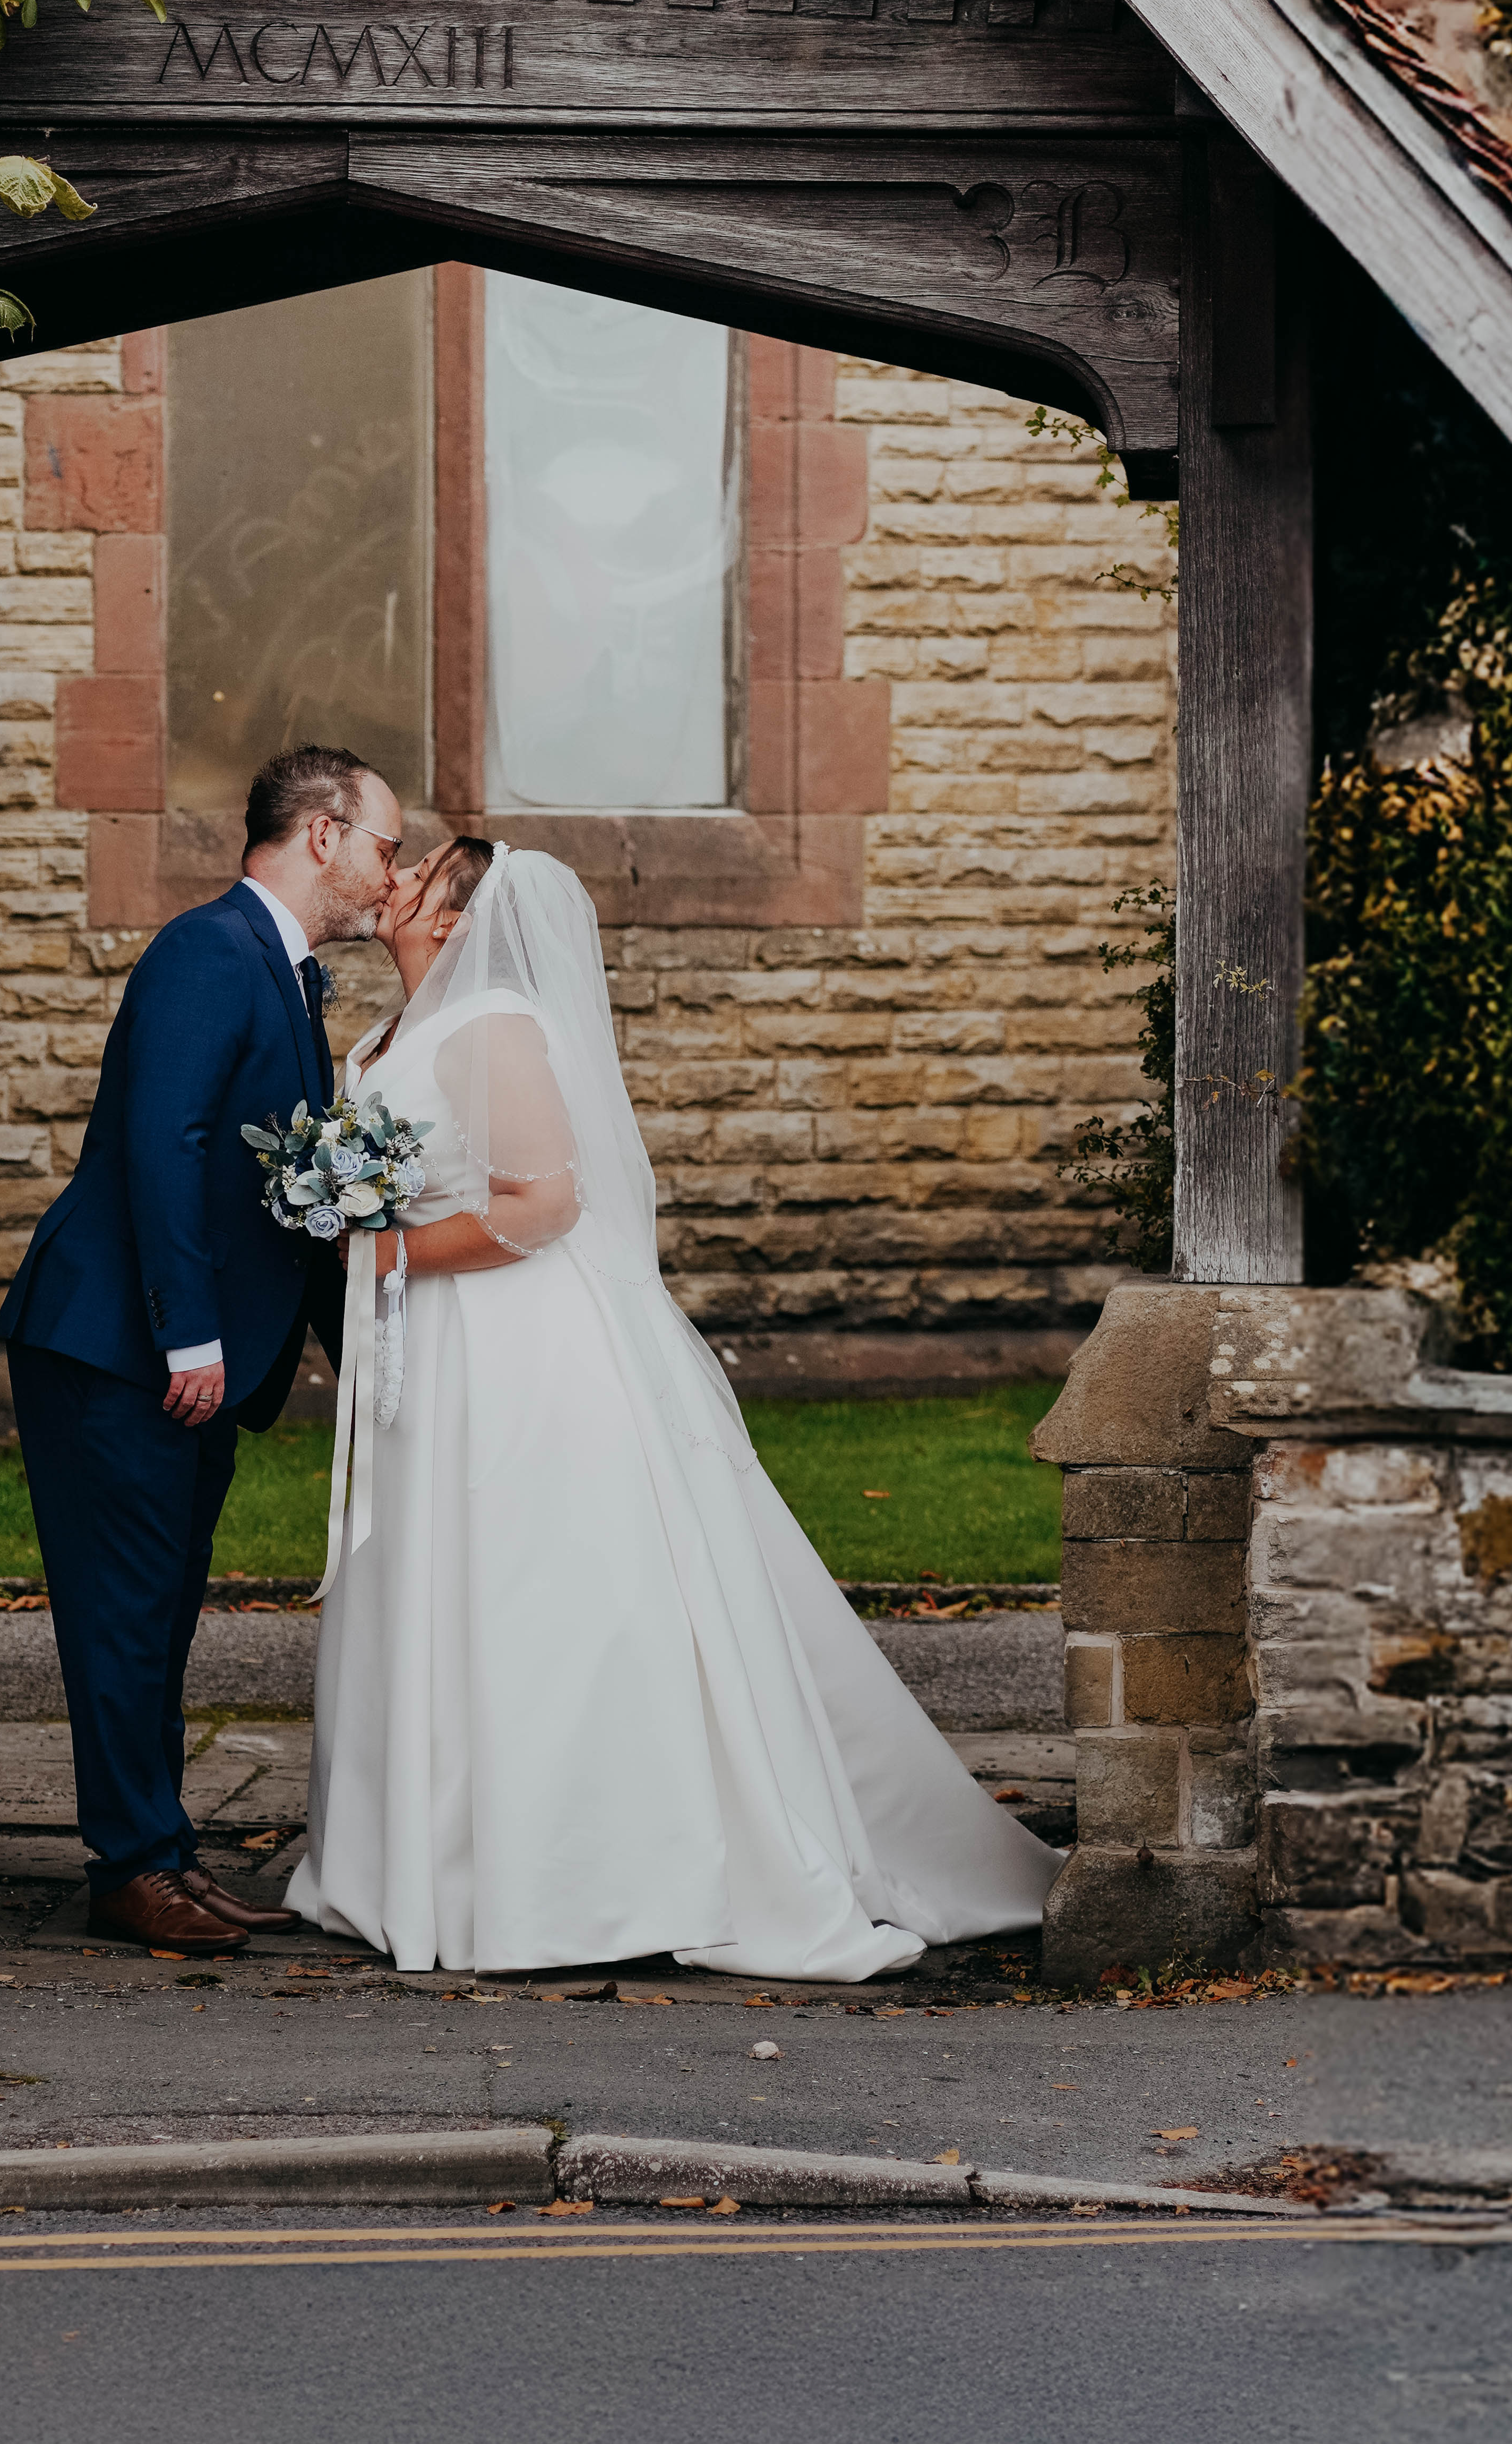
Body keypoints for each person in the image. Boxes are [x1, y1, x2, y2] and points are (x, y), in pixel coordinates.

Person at [288, 833, 1058, 1978]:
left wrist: (383, 1247)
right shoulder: (396, 1032)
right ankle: (419, 1860)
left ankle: (569, 1877)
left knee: (532, 1583)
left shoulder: (493, 1024)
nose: (392, 877)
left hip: (513, 1345)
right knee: (432, 1576)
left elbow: (543, 1205)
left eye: (419, 871)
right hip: (436, 1348)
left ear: (454, 919)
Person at [0, 740, 399, 1953]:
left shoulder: (280, 969)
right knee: (123, 1613)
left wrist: (367, 1353)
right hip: (117, 1348)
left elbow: (287, 1191)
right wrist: (189, 1338)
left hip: (178, 1357)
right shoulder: (204, 949)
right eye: (382, 844)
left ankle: (158, 1846)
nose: (391, 873)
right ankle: (129, 1865)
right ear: (320, 833)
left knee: (161, 1609)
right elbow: (160, 1144)